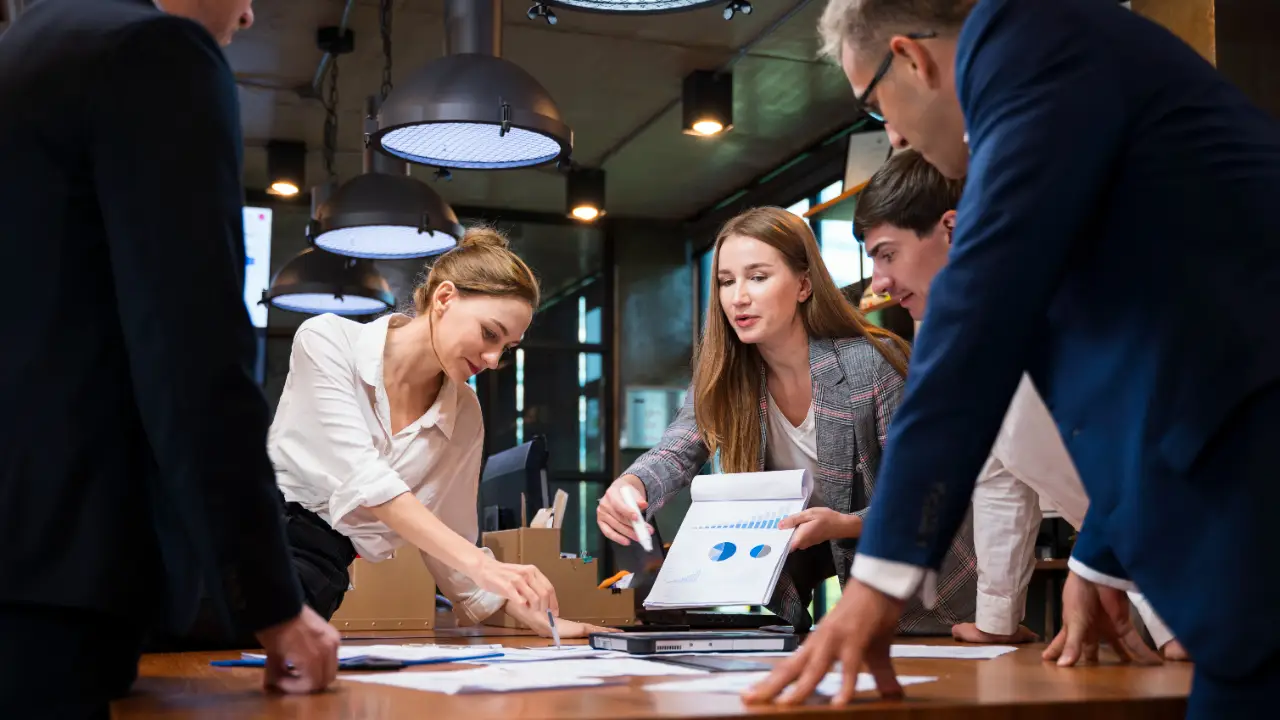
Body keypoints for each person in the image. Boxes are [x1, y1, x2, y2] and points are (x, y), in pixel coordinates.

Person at [746, 0, 1280, 714]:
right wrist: (1099, 558)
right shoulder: (1057, 76)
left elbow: (976, 320)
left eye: (874, 105)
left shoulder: (1029, 48)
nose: (893, 136)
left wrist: (874, 586)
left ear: (910, 57)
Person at [0, 0, 339, 716]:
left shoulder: (32, 42)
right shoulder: (155, 54)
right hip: (57, 579)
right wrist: (273, 602)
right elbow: (194, 347)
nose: (248, 15)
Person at [855, 148, 1185, 659]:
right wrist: (996, 619)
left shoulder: (1060, 297)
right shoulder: (962, 337)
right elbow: (998, 477)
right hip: (1142, 559)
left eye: (887, 254)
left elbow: (1136, 455)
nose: (878, 282)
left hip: (1204, 540)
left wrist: (1091, 565)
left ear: (951, 229)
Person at [596, 206, 977, 633]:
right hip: (834, 609)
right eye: (726, 281)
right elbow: (675, 451)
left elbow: (929, 494)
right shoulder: (725, 376)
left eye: (758, 277)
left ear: (803, 284)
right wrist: (633, 485)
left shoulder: (870, 365)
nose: (738, 297)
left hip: (931, 599)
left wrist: (846, 524)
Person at [267, 229, 609, 640]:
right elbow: (364, 479)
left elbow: (451, 535)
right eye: (490, 333)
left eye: (507, 347)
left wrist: (530, 612)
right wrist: (484, 566)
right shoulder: (327, 340)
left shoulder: (465, 413)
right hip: (252, 536)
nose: (493, 359)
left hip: (319, 574)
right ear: (445, 298)